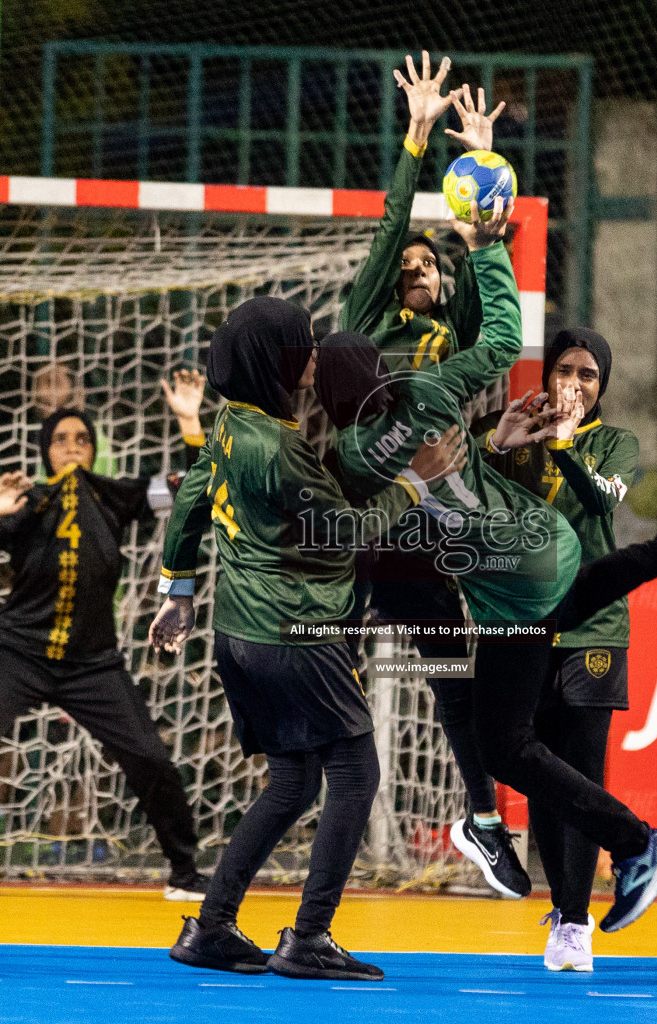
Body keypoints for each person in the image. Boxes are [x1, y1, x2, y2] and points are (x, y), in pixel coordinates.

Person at [315, 208, 657, 937]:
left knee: (507, 738)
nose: (575, 381)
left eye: (588, 373)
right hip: (531, 561)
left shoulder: (353, 459)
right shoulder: (436, 390)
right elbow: (504, 338)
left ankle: (629, 843)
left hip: (511, 580)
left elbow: (364, 526)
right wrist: (487, 247)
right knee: (523, 707)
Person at [152, 296, 466, 983]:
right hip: (294, 631)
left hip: (237, 633)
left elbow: (192, 501)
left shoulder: (231, 424)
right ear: (273, 359)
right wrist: (419, 480)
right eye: (302, 346)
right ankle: (311, 936)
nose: (313, 357)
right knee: (356, 775)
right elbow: (348, 530)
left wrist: (176, 589)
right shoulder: (280, 448)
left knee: (292, 782)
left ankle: (212, 926)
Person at [0, 406, 207, 901]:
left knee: (150, 757)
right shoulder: (28, 502)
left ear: (93, 449)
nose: (72, 445)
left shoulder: (117, 495)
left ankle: (184, 873)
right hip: (20, 654)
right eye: (61, 439)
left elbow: (196, 484)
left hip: (93, 662)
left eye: (82, 438)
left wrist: (190, 423)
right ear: (47, 451)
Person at [339, 51, 528, 897]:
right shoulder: (362, 324)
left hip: (418, 526)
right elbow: (389, 237)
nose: (416, 268)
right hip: (347, 522)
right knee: (320, 668)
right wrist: (417, 138)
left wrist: (480, 176)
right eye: (407, 266)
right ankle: (300, 797)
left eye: (429, 264)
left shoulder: (452, 344)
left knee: (457, 676)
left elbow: (496, 314)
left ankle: (482, 819)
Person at [475, 327, 638, 970]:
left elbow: (601, 501)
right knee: (538, 771)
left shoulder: (616, 443)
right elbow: (466, 490)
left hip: (593, 624)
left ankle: (575, 920)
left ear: (602, 387)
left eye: (589, 375)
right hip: (524, 623)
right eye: (565, 369)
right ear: (546, 377)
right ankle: (562, 903)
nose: (574, 383)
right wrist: (496, 446)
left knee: (584, 767)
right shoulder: (517, 429)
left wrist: (566, 442)